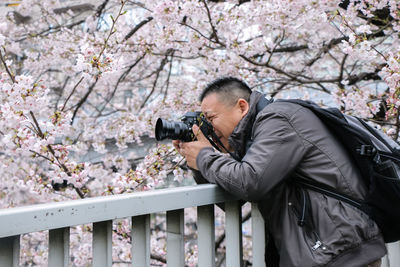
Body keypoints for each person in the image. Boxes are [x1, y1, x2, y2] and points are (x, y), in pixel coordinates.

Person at [173, 77, 386, 267]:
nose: (209, 127)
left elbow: (251, 183)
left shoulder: (278, 119)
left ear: (242, 106)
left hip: (341, 254)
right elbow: (236, 196)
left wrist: (205, 157)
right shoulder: (254, 139)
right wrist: (198, 163)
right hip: (327, 253)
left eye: (210, 119)